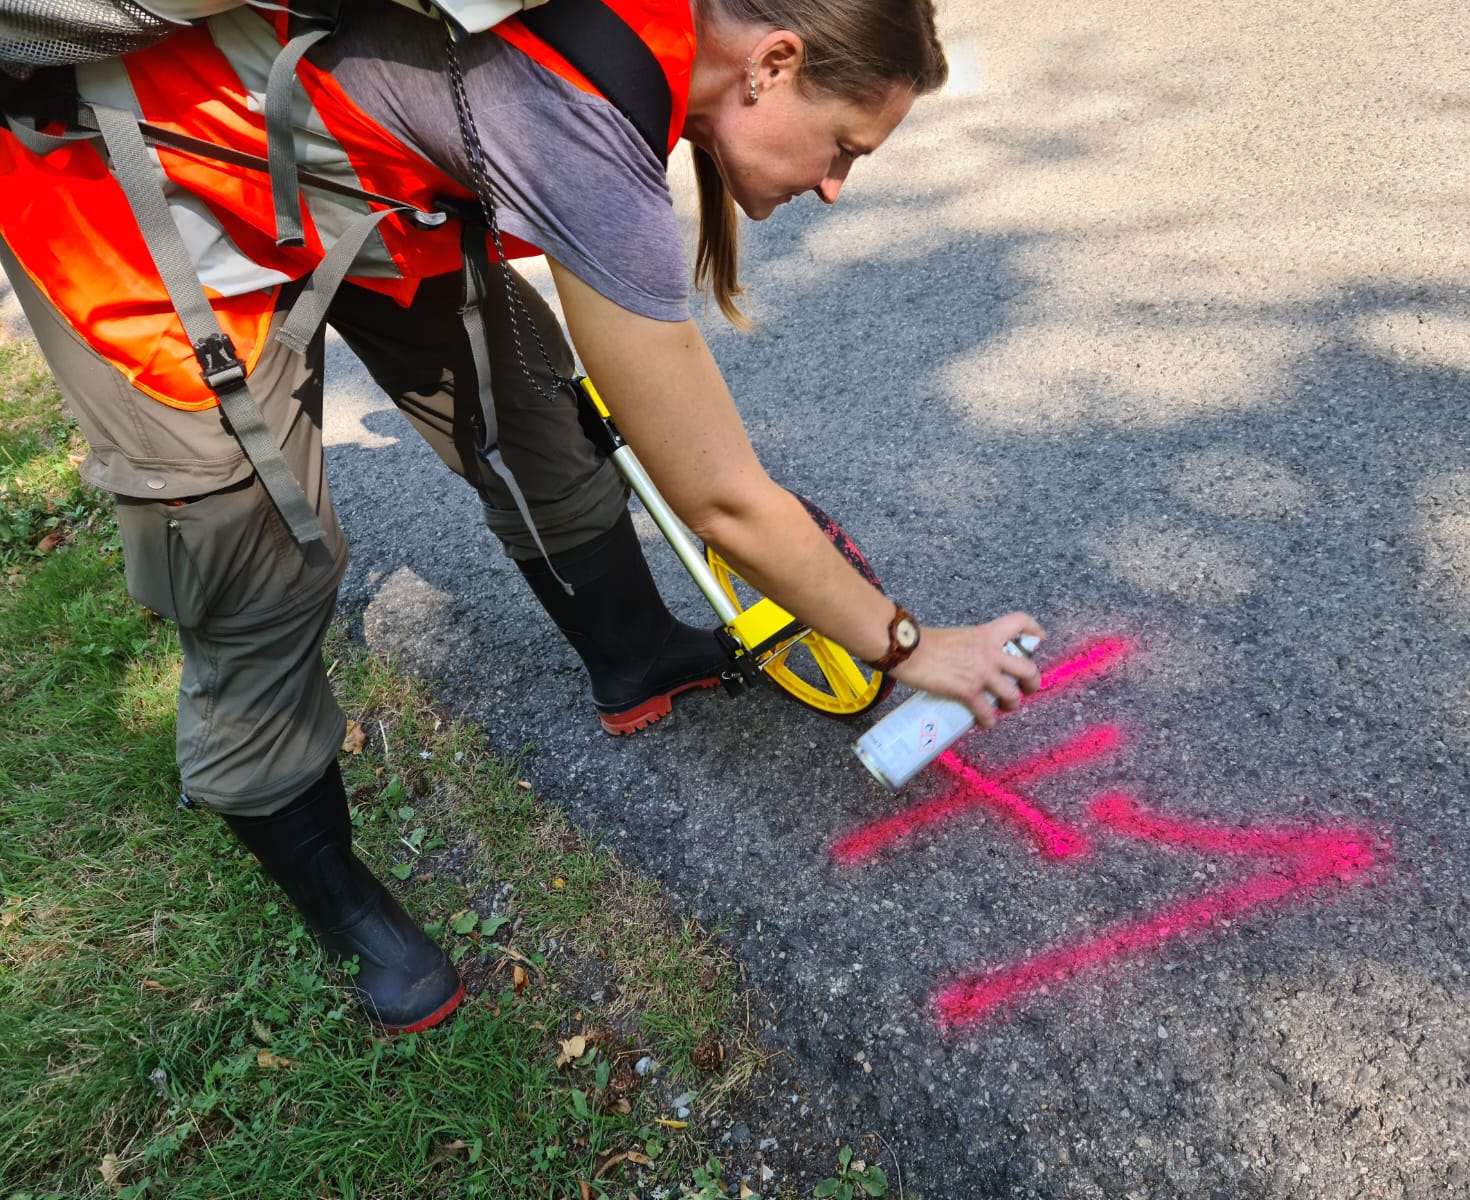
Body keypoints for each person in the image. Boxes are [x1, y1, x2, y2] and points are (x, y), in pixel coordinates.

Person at [0, 0, 1044, 1033]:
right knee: (252, 562)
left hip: (356, 179)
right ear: (771, 62)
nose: (831, 186)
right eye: (843, 148)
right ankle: (336, 895)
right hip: (146, 194)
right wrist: (907, 644)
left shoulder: (643, 66)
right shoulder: (581, 121)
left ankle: (630, 656)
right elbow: (722, 499)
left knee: (537, 406)